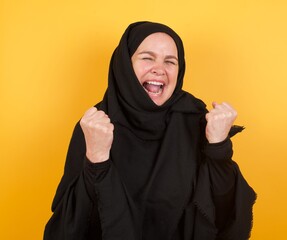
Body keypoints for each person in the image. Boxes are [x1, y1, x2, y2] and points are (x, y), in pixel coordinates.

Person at [44, 21, 256, 240]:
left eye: (170, 61)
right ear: (125, 65)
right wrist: (96, 161)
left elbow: (224, 212)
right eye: (147, 57)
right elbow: (69, 227)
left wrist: (218, 146)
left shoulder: (195, 120)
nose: (160, 69)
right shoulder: (94, 126)